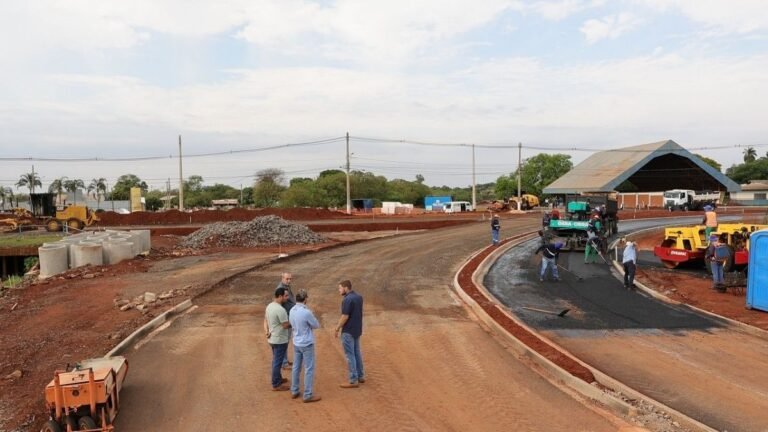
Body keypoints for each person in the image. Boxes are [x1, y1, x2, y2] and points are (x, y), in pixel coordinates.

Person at [289, 289, 321, 403]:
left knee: (296, 367)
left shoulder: (292, 310)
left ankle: (294, 390)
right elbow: (316, 325)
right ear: (305, 299)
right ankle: (307, 394)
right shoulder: (306, 312)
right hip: (306, 343)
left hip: (296, 342)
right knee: (309, 368)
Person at [334, 280, 365, 388]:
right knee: (357, 352)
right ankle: (360, 376)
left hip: (348, 331)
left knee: (350, 355)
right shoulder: (359, 297)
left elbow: (345, 316)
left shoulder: (347, 300)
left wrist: (337, 328)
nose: (339, 290)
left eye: (340, 288)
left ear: (346, 288)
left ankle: (353, 379)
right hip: (357, 330)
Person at [265, 287, 291, 391]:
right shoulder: (280, 310)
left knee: (276, 360)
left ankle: (278, 378)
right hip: (280, 339)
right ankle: (276, 384)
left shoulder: (269, 306)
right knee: (277, 362)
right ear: (280, 296)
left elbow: (266, 320)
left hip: (273, 338)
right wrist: (293, 322)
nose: (287, 298)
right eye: (285, 296)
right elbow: (285, 325)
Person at [277, 273, 296, 369]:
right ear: (282, 278)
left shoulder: (287, 287)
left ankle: (285, 361)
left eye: (290, 279)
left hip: (289, 315)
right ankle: (284, 363)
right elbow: (279, 304)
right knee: (284, 340)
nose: (289, 280)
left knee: (286, 340)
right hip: (285, 317)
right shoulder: (281, 289)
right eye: (287, 279)